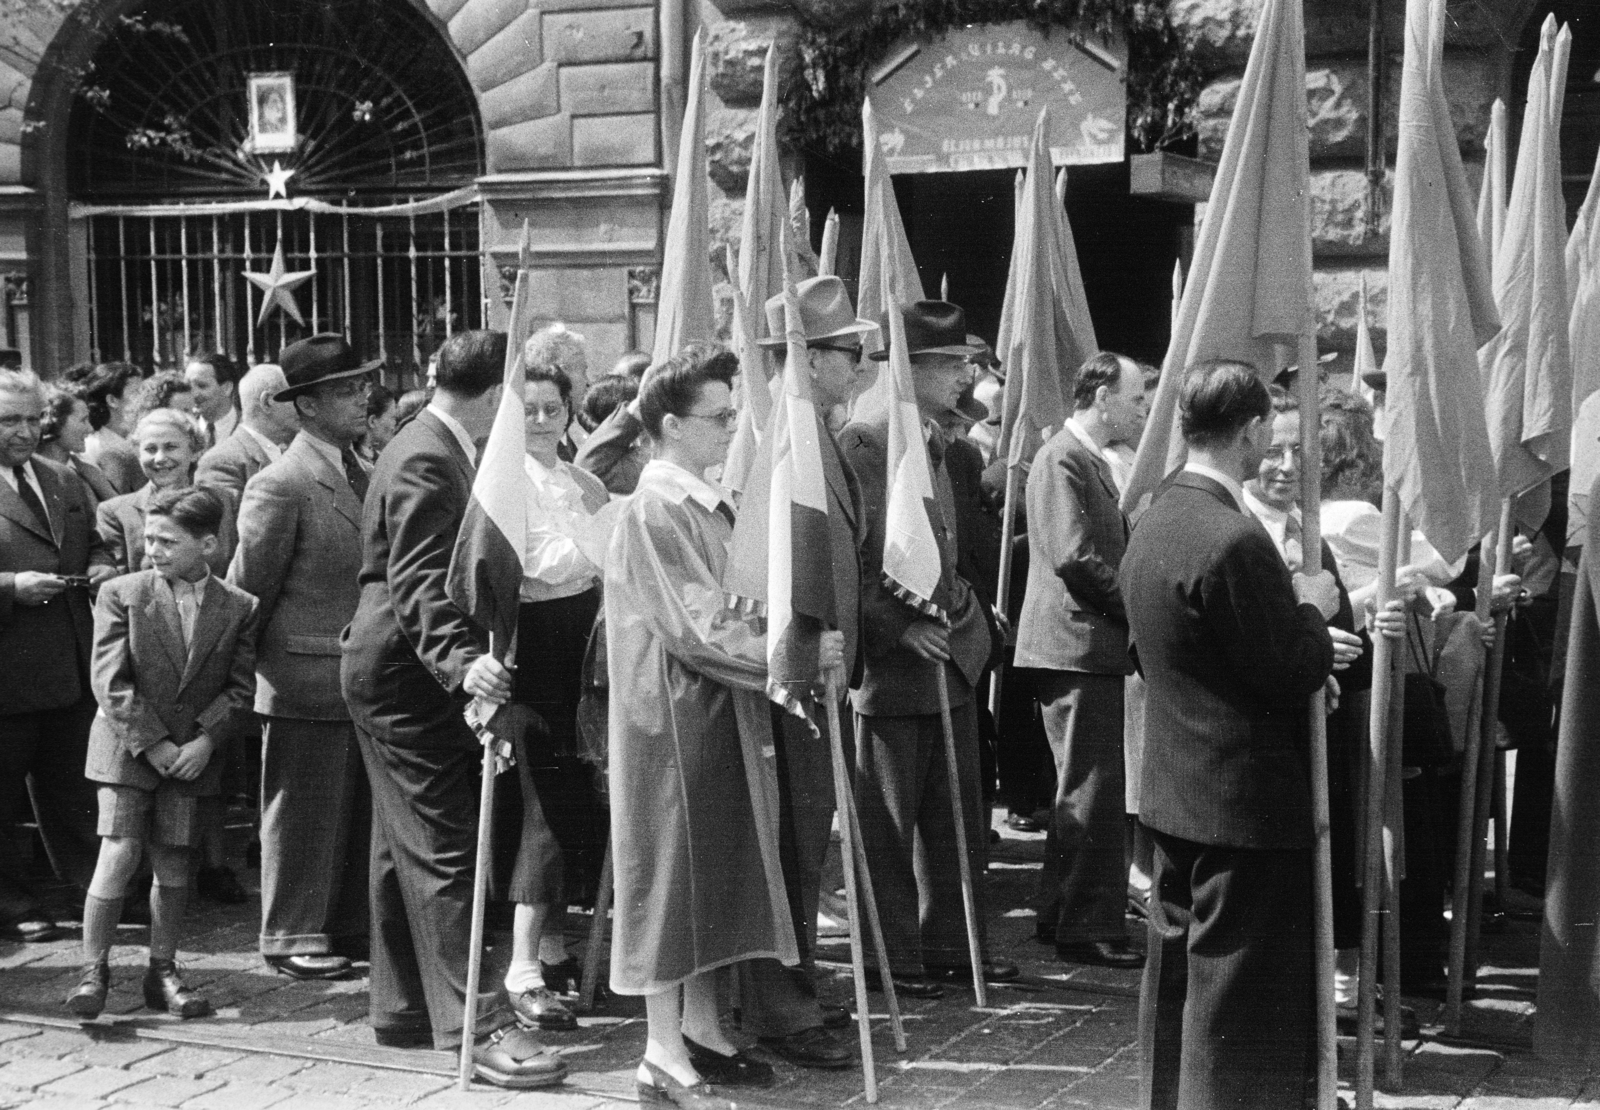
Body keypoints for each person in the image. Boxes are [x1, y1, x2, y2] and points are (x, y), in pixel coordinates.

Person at [341, 329, 566, 1089]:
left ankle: (403, 1004)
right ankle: (475, 1027)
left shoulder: (429, 442)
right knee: (442, 842)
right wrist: (462, 662)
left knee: (397, 841)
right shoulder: (431, 455)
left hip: (398, 668)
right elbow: (418, 578)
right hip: (408, 673)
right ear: (497, 394)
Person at [1123, 360, 1338, 1110]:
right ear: (1249, 431)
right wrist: (1311, 607)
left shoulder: (1152, 516)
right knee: (1238, 1002)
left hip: (1176, 789)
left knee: (1180, 978)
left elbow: (1161, 650)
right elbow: (1287, 667)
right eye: (1267, 434)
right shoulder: (1235, 539)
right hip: (1245, 803)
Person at [605, 343, 801, 1107]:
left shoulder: (698, 500)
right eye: (716, 417)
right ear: (669, 425)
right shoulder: (654, 506)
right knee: (671, 876)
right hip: (673, 721)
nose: (729, 427)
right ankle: (659, 1050)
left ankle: (703, 1026)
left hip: (714, 709)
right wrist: (787, 653)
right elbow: (698, 624)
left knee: (714, 870)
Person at [841, 300, 1005, 997]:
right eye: (950, 365)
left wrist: (974, 621)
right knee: (888, 819)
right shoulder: (866, 443)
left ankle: (951, 942)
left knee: (956, 816)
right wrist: (898, 626)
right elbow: (855, 558)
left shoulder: (955, 449)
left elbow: (962, 553)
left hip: (952, 657)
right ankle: (890, 954)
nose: (965, 374)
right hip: (894, 667)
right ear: (911, 370)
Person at [735, 276, 875, 1070]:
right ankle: (783, 1009)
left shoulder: (819, 429)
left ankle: (795, 993)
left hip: (823, 669)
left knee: (806, 843)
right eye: (850, 353)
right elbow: (777, 565)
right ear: (811, 359)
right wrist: (808, 644)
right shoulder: (788, 435)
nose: (860, 366)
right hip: (795, 674)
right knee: (789, 844)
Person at [66, 487, 258, 1020]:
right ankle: (93, 972)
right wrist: (154, 743)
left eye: (168, 540)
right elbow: (109, 680)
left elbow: (240, 690)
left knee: (175, 859)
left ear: (210, 545)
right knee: (120, 849)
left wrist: (204, 741)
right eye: (148, 538)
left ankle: (163, 971)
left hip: (191, 756)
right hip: (129, 751)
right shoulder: (122, 594)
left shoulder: (239, 607)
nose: (154, 549)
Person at [230, 335, 376, 982]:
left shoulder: (364, 471)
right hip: (303, 678)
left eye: (363, 385)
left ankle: (342, 924)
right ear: (307, 406)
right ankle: (290, 932)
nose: (363, 397)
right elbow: (246, 591)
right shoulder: (281, 483)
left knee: (348, 812)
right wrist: (253, 678)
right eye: (347, 390)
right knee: (303, 813)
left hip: (357, 678)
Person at [1015, 352, 1145, 969]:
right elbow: (1074, 556)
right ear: (1100, 397)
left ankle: (1061, 911)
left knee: (1082, 787)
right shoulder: (1064, 457)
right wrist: (1138, 609)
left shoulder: (1080, 458)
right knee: (1093, 791)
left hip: (1082, 646)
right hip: (1076, 646)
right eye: (1135, 397)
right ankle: (1087, 924)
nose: (1141, 409)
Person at [497, 364, 612, 1034]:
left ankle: (555, 944)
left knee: (577, 803)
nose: (541, 421)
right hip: (536, 645)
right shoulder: (509, 484)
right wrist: (609, 543)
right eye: (529, 411)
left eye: (552, 409)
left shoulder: (583, 481)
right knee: (543, 808)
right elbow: (542, 564)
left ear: (571, 412)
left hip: (585, 647)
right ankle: (522, 969)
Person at [0, 369, 117, 943]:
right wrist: (7, 589)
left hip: (69, 667)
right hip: (7, 670)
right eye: (8, 420)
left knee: (74, 788)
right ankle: (13, 902)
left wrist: (100, 566)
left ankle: (91, 891)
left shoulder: (61, 480)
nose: (23, 432)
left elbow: (94, 542)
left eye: (31, 419)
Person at [98, 409, 235, 580]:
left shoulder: (222, 500)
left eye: (171, 447)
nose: (160, 458)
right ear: (138, 454)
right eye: (150, 449)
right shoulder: (116, 512)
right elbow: (118, 586)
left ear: (195, 452)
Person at [196, 364, 298, 511]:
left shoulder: (288, 452)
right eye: (294, 398)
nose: (304, 406)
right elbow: (226, 531)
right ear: (267, 402)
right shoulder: (221, 463)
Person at [37, 384, 117, 509]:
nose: (90, 428)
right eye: (83, 420)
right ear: (56, 422)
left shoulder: (89, 473)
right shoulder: (28, 472)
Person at [524, 324, 590, 455]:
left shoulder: (574, 431)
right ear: (563, 373)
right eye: (583, 371)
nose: (588, 382)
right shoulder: (532, 441)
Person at [82, 361, 146, 495]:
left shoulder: (136, 438)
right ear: (112, 400)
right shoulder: (97, 446)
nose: (144, 400)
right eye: (136, 393)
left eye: (143, 392)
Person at [184, 352, 242, 448]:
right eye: (187, 386)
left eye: (201, 386)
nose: (193, 394)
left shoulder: (250, 429)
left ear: (227, 388)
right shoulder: (181, 429)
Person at [358, 384, 399, 464]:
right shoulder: (352, 463)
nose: (395, 424)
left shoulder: (380, 459)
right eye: (393, 418)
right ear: (372, 421)